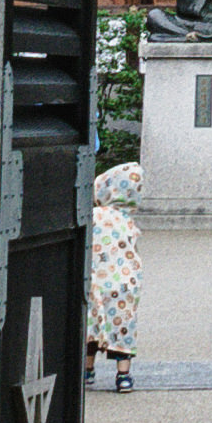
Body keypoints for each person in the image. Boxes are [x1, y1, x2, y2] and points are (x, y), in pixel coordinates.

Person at [86, 156, 143, 391]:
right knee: (123, 327)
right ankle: (123, 376)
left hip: (96, 281)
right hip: (124, 283)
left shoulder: (94, 216)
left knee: (91, 326)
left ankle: (87, 369)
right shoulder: (127, 220)